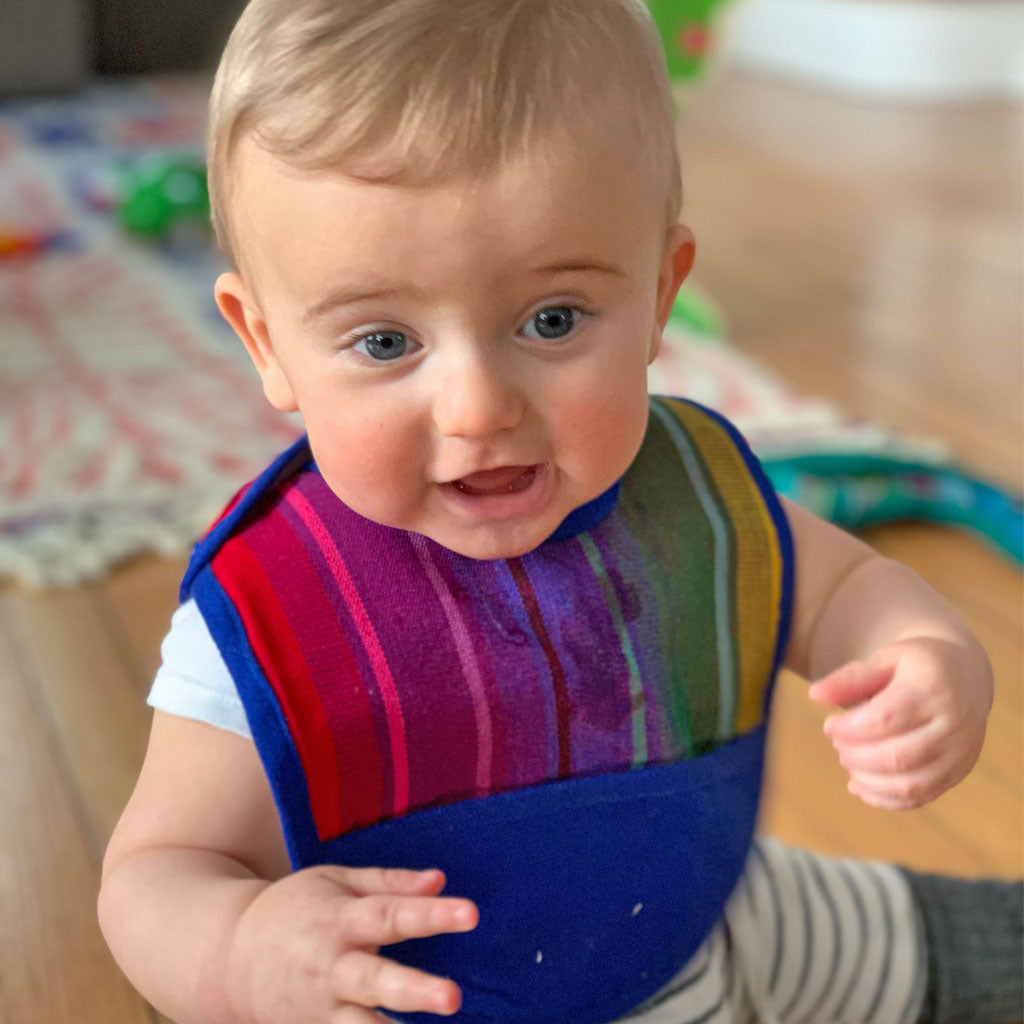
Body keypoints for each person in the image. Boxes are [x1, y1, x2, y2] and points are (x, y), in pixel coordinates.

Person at [97, 2, 1022, 1022]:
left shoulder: (692, 497)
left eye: (552, 320)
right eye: (385, 342)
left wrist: (926, 655)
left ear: (658, 295)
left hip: (717, 912)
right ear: (266, 343)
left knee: (986, 944)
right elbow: (156, 873)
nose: (478, 408)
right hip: (468, 999)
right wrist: (237, 947)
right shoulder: (265, 615)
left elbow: (846, 591)